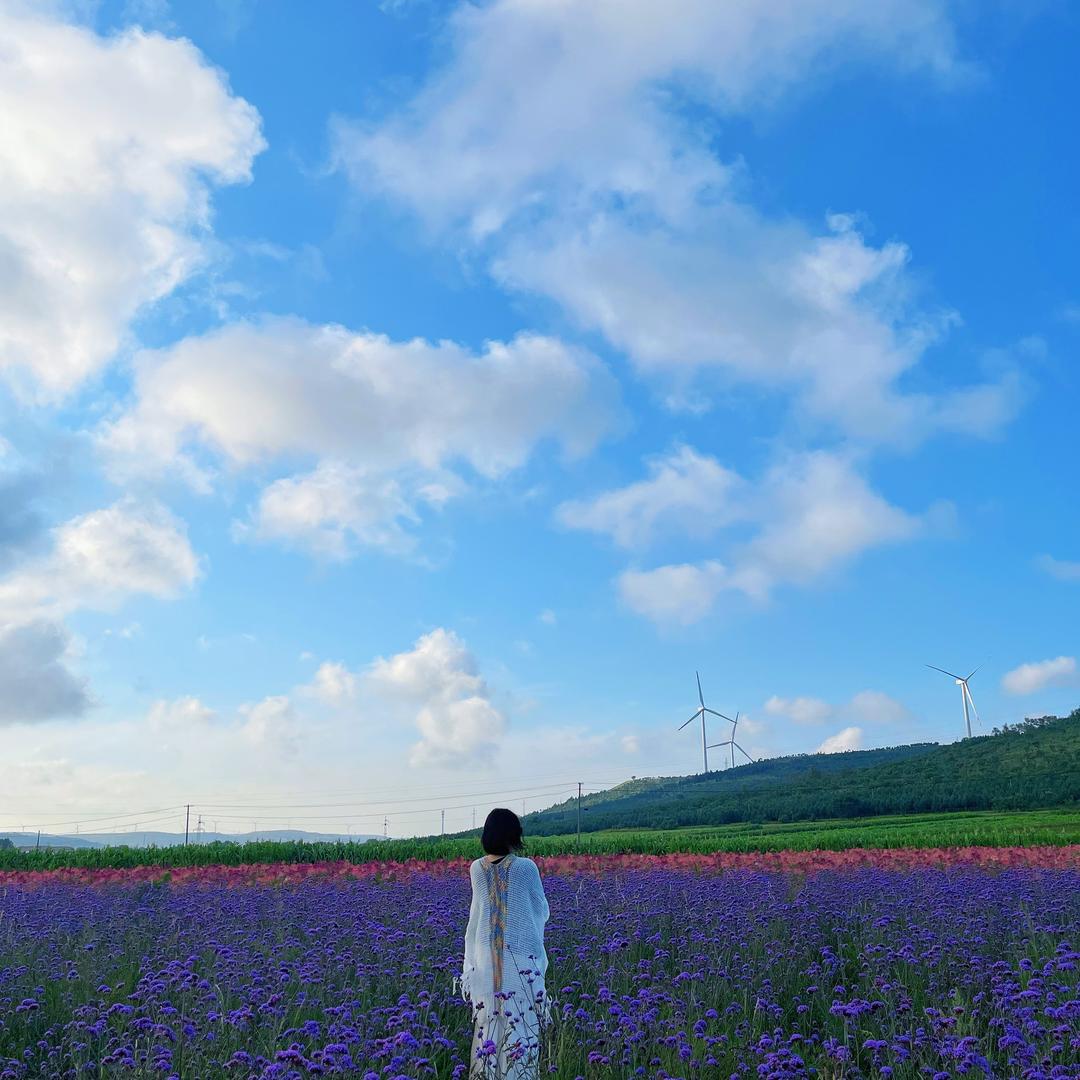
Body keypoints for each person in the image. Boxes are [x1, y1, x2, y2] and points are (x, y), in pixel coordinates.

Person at [461, 808, 549, 1079]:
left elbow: (476, 918)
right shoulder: (526, 868)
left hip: (485, 962)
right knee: (520, 1026)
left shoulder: (477, 868)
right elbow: (540, 909)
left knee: (488, 1026)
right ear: (513, 834)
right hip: (519, 961)